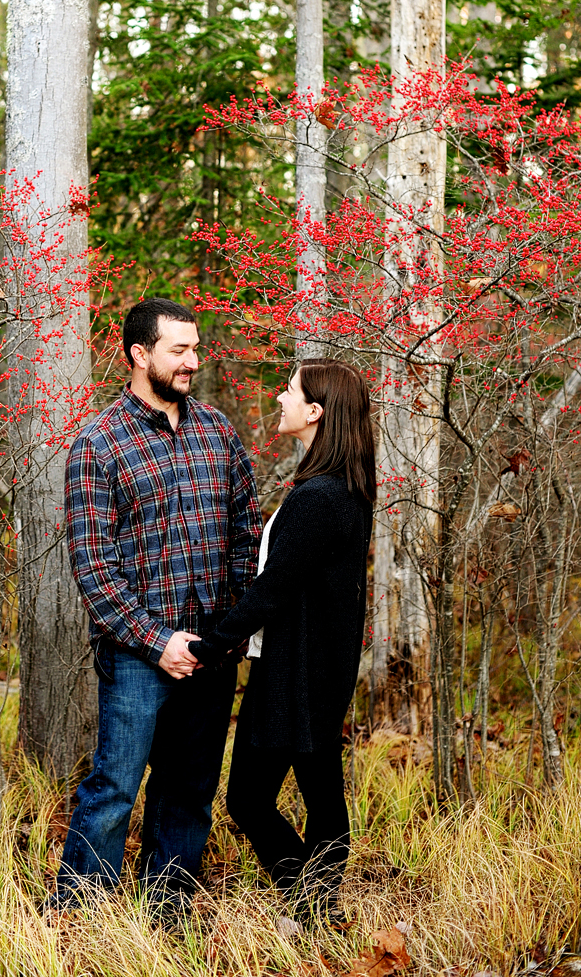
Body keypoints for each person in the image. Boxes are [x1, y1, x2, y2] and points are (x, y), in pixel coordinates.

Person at [53, 297, 263, 912]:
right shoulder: (99, 445)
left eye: (195, 348)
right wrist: (156, 641)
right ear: (139, 355)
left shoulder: (218, 432)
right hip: (137, 655)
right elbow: (93, 566)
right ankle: (81, 918)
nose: (192, 361)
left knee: (192, 788)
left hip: (213, 649)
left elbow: (245, 532)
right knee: (116, 786)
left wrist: (227, 628)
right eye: (178, 350)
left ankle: (164, 909)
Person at [188, 359, 375, 928]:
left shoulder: (321, 496)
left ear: (315, 411)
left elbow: (273, 590)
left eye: (289, 390)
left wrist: (209, 645)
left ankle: (314, 907)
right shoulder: (337, 487)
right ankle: (316, 909)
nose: (279, 397)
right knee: (313, 790)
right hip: (308, 663)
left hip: (300, 670)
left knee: (256, 798)